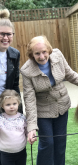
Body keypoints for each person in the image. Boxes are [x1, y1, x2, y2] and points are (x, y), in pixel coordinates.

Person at [20, 35, 78, 165]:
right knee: (47, 143)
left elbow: (70, 74)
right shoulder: (26, 71)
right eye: (37, 53)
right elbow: (29, 99)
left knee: (60, 142)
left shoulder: (58, 55)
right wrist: (31, 127)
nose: (41, 57)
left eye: (44, 52)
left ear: (49, 50)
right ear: (31, 54)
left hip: (62, 106)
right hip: (42, 111)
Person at [0, 8, 23, 165]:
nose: (5, 37)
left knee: (9, 141)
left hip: (6, 102)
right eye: (2, 34)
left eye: (9, 34)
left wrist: (19, 112)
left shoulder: (14, 54)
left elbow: (15, 85)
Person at [0, 89, 27, 165]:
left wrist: (30, 136)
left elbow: (26, 131)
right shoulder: (1, 119)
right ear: (2, 105)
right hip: (5, 153)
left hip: (21, 151)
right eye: (8, 105)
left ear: (18, 103)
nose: (12, 107)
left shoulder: (23, 118)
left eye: (14, 103)